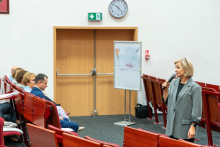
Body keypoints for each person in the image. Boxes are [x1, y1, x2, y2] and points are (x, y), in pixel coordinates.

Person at [162, 58, 202, 143]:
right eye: (175, 67)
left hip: (184, 129)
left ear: (186, 68)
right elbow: (167, 103)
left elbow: (197, 110)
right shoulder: (173, 83)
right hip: (171, 127)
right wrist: (165, 91)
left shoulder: (195, 87)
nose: (175, 70)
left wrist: (193, 127)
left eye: (178, 67)